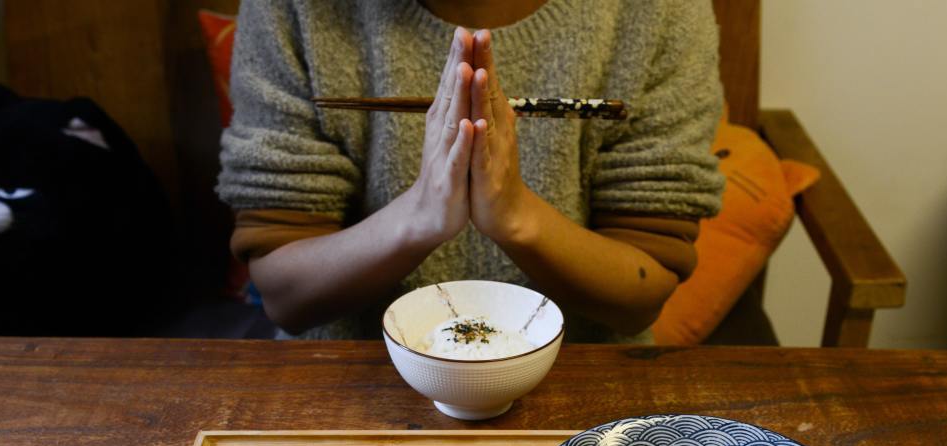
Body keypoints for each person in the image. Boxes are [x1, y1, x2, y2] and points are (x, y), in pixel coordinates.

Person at [218, 0, 724, 341]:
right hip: (343, 391)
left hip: (585, 400)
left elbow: (643, 290)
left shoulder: (659, 11)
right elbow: (285, 295)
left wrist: (517, 218)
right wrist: (417, 218)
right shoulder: (294, 9)